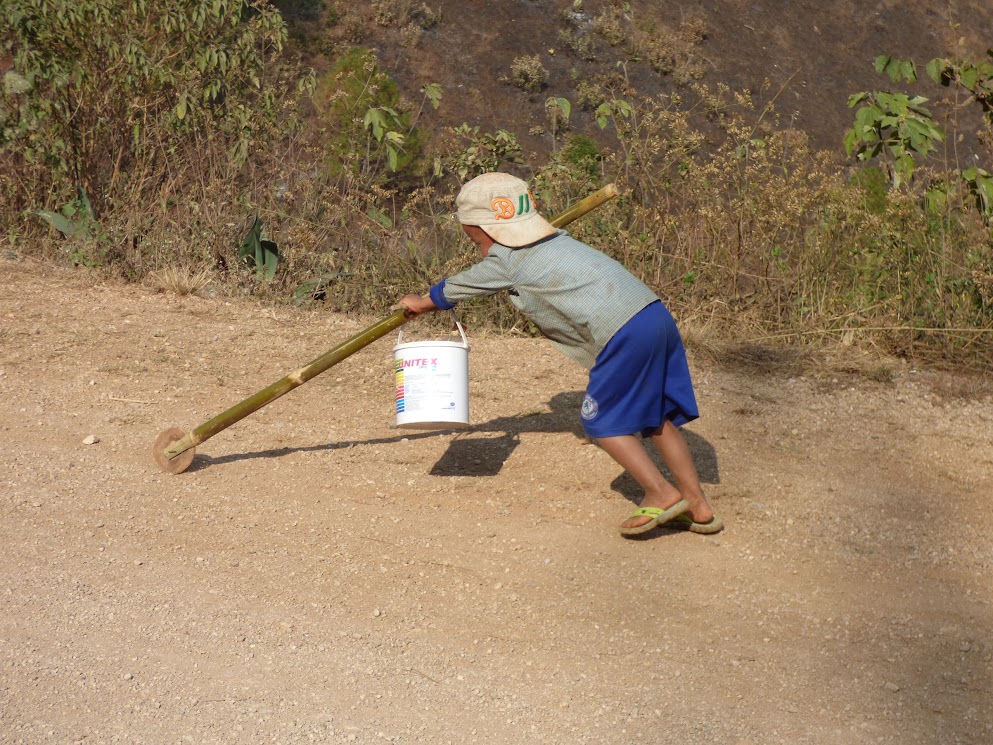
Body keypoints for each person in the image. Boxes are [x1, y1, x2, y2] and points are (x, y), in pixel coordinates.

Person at [398, 172, 722, 536]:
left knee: (602, 423)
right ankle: (697, 505)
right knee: (658, 417)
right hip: (653, 316)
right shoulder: (556, 238)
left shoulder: (507, 260)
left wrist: (423, 302)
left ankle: (660, 492)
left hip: (623, 334)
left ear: (476, 228)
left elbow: (460, 287)